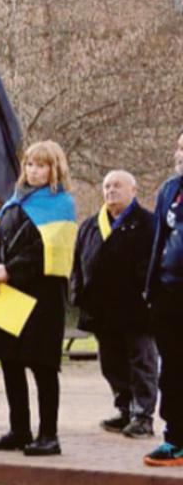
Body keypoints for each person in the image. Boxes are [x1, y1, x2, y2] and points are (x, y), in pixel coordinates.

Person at [0, 140, 75, 457]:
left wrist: (10, 270)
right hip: (8, 292)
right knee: (11, 362)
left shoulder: (62, 204)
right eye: (30, 164)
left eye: (41, 165)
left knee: (43, 366)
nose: (33, 170)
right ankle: (19, 429)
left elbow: (48, 252)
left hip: (43, 296)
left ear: (54, 168)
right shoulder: (13, 202)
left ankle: (49, 434)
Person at [72, 170, 157, 439]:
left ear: (134, 190)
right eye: (107, 186)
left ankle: (142, 415)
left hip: (136, 309)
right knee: (111, 363)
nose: (111, 191)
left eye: (118, 186)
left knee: (141, 362)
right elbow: (78, 264)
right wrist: (79, 296)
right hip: (102, 311)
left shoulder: (148, 224)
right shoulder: (90, 226)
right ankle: (124, 409)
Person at [142, 128, 183, 467]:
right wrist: (151, 288)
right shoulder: (170, 189)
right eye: (179, 147)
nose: (180, 154)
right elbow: (159, 240)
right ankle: (175, 439)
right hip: (169, 293)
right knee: (171, 369)